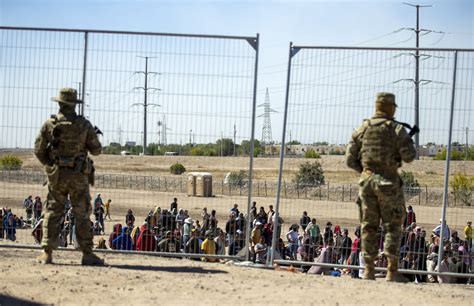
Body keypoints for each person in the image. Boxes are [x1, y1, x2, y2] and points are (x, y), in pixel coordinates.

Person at [346, 92, 416, 282]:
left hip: (366, 184)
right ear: (391, 107)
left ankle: (368, 270)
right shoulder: (395, 129)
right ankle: (391, 271)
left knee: (368, 226)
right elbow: (409, 156)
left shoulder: (363, 128)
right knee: (392, 226)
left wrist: (366, 171)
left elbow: (350, 160)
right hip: (388, 183)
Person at [34, 87, 104, 265]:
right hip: (78, 175)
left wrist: (50, 165)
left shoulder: (50, 124)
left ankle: (47, 252)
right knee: (82, 213)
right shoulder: (84, 124)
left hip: (57, 175)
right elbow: (96, 150)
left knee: (53, 211)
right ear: (74, 104)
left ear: (59, 103)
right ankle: (87, 253)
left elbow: (38, 150)